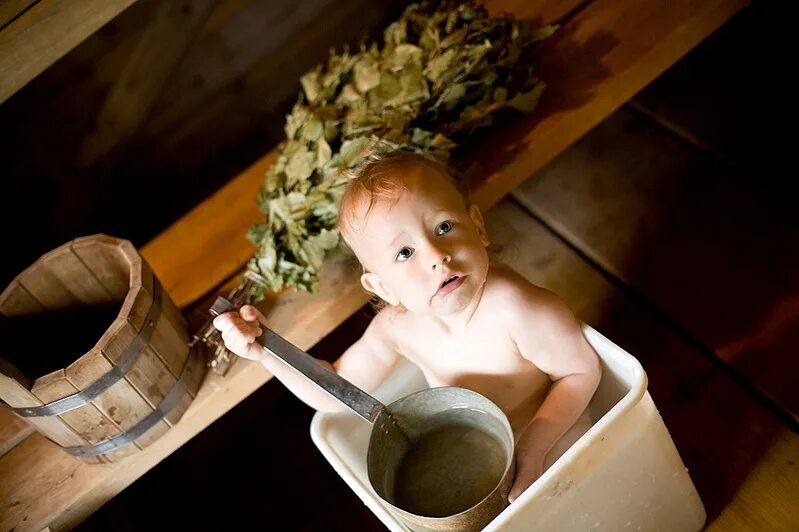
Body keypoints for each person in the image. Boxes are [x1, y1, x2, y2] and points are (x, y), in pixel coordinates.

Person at [213, 149, 601, 502]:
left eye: (444, 227)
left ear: (477, 228)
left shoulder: (516, 308)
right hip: (472, 458)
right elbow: (335, 392)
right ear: (381, 286)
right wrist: (265, 351)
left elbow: (580, 371)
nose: (436, 256)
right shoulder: (396, 328)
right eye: (404, 252)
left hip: (556, 436)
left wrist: (533, 449)